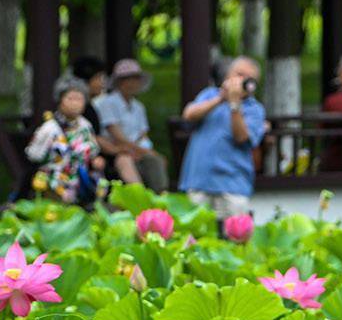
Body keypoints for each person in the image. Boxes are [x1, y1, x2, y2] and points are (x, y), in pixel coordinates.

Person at [178, 54, 266, 214]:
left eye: (249, 78)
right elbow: (189, 114)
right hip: (199, 182)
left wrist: (234, 104)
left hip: (233, 187)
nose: (242, 80)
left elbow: (241, 137)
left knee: (235, 236)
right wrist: (220, 99)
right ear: (228, 75)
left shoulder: (255, 109)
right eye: (239, 74)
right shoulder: (209, 95)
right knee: (196, 236)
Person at [24, 81, 106, 207]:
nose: (75, 103)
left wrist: (96, 161)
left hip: (80, 178)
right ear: (60, 100)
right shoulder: (50, 129)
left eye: (79, 99)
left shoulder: (85, 126)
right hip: (54, 179)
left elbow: (93, 151)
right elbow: (34, 155)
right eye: (70, 98)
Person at [92, 58, 168, 190]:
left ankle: (160, 197)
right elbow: (117, 136)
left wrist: (145, 150)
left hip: (137, 149)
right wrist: (145, 151)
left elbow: (143, 134)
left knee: (155, 162)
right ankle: (139, 195)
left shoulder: (139, 107)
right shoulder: (107, 103)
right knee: (126, 159)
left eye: (136, 79)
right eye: (128, 79)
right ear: (119, 82)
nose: (133, 83)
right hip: (114, 151)